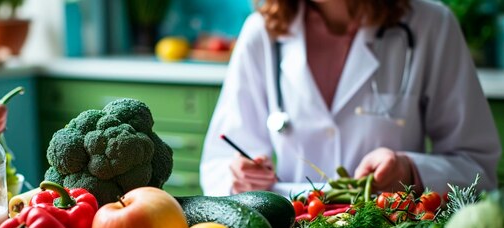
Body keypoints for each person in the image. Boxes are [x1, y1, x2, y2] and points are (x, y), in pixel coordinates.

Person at [199, 0, 501, 197]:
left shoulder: (432, 25)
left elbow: (478, 169)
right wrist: (239, 176)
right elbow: (218, 165)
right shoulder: (261, 34)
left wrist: (411, 171)